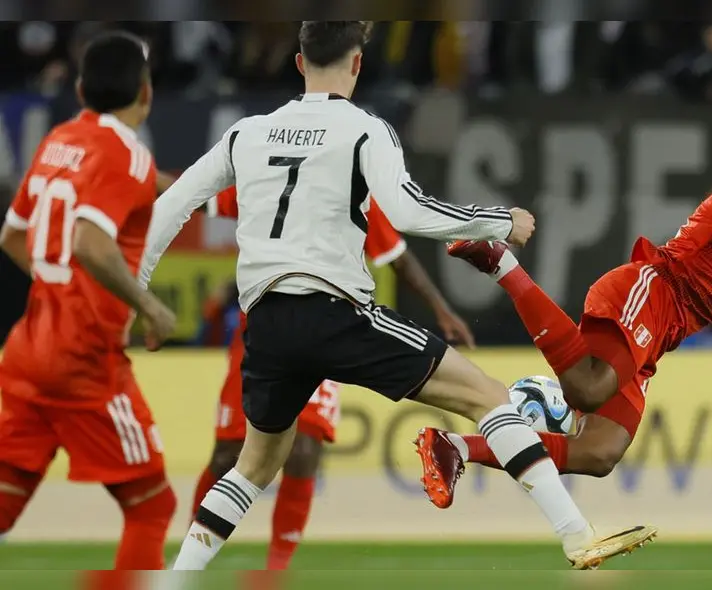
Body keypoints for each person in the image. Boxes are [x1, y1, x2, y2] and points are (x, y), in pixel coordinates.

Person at [138, 21, 655, 571]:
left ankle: (175, 582)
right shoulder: (364, 129)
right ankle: (576, 534)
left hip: (266, 323)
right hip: (336, 311)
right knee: (487, 396)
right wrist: (497, 221)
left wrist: (141, 298)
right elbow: (408, 212)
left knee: (253, 467)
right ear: (357, 64)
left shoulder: (246, 133)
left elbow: (170, 207)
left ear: (298, 64)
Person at [419, 113, 712, 504]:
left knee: (599, 453)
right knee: (587, 389)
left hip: (663, 334)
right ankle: (502, 264)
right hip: (653, 291)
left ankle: (454, 447)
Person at [192, 186, 475, 570]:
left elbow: (398, 258)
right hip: (262, 332)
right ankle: (192, 558)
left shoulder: (352, 189)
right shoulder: (270, 175)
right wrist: (143, 183)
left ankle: (277, 570)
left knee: (304, 452)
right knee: (228, 456)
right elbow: (196, 195)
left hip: (329, 328)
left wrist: (441, 311)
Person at [0, 32, 177, 569]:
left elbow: (11, 236)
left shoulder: (59, 141)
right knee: (152, 506)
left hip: (27, 353)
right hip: (84, 364)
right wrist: (149, 306)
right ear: (146, 93)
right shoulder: (127, 153)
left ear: (79, 89)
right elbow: (90, 242)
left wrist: (57, 285)